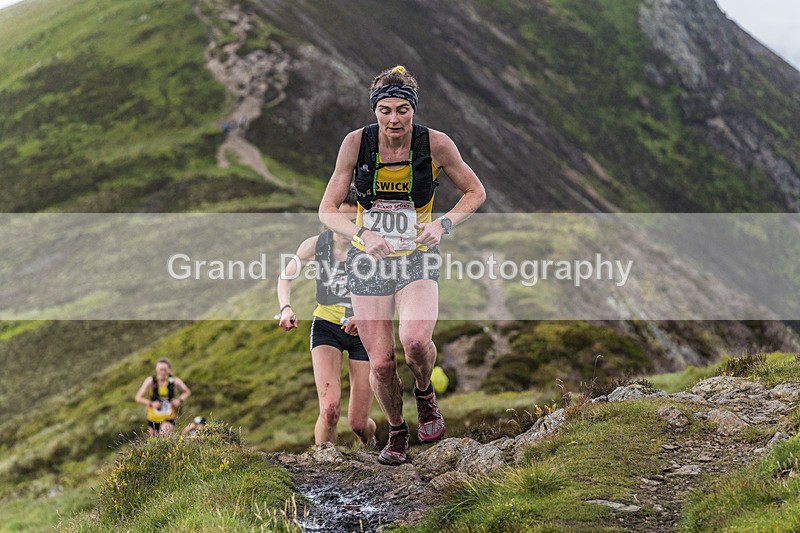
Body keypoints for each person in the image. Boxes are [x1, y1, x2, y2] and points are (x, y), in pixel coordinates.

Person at [318, 65, 486, 465]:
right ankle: (396, 430)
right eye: (386, 111)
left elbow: (475, 192)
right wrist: (362, 235)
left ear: (413, 110)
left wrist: (443, 224)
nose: (394, 120)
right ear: (375, 111)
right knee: (380, 361)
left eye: (402, 111)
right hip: (368, 261)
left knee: (414, 343)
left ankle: (425, 394)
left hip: (416, 257)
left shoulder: (437, 145)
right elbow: (326, 209)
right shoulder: (356, 144)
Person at [278, 191, 377, 449]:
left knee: (358, 423)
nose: (345, 228)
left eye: (351, 221)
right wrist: (286, 308)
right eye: (339, 220)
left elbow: (387, 292)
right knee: (330, 409)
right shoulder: (314, 245)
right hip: (326, 327)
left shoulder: (371, 247)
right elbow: (285, 277)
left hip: (363, 332)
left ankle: (371, 443)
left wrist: (364, 315)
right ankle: (324, 464)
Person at [135, 358, 191, 437]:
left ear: (169, 369)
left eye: (165, 369)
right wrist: (152, 403)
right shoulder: (150, 381)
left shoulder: (174, 381)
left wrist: (179, 400)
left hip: (169, 417)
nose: (163, 372)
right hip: (153, 418)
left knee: (164, 436)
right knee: (153, 441)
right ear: (156, 369)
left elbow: (187, 392)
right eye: (160, 369)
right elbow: (138, 397)